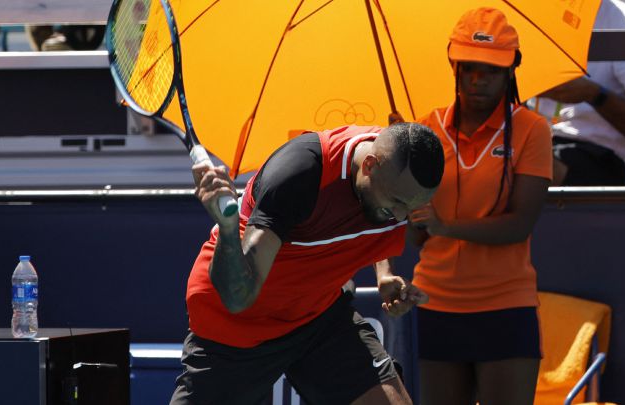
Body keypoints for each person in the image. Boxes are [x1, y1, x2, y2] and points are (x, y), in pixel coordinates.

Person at [170, 123, 445, 404]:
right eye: (394, 204)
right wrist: (227, 228)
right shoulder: (301, 173)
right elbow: (238, 296)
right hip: (236, 324)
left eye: (409, 209)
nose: (399, 217)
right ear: (370, 166)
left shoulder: (395, 175)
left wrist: (384, 273)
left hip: (316, 316)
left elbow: (377, 223)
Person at [407, 8, 552, 405]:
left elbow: (519, 225)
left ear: (511, 70)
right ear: (453, 64)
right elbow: (415, 235)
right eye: (468, 66)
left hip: (506, 304)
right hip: (434, 302)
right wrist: (400, 177)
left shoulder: (533, 129)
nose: (477, 79)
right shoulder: (424, 129)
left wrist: (446, 226)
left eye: (490, 69)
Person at [538, 0, 625, 186]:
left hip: (603, 159)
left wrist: (593, 94)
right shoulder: (533, 19)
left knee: (528, 167)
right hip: (542, 148)